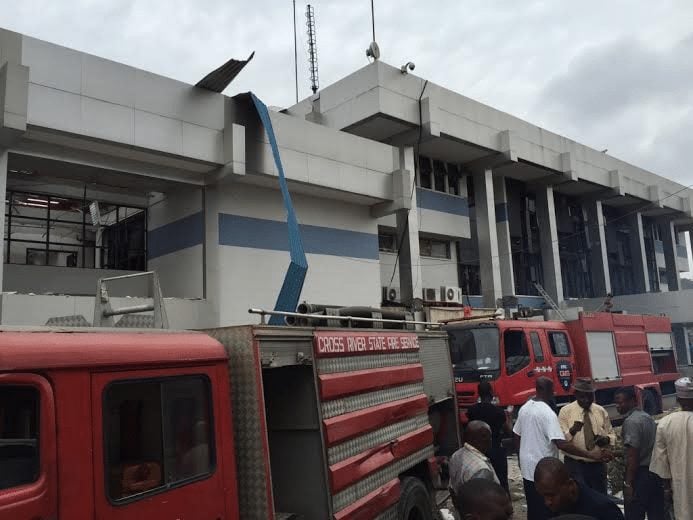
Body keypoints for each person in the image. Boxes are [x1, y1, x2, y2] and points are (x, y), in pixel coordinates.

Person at [513, 377, 608, 520]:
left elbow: (516, 434)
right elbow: (561, 443)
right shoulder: (548, 413)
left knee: (533, 509)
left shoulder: (525, 407)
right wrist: (590, 455)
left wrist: (520, 458)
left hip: (528, 470)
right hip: (545, 473)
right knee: (548, 509)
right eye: (552, 390)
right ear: (548, 391)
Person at [614, 386, 664, 520]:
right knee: (657, 513)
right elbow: (645, 446)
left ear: (632, 401)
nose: (617, 406)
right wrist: (616, 453)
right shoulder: (647, 417)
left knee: (634, 514)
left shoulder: (631, 422)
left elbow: (633, 455)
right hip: (654, 472)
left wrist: (628, 484)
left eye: (621, 402)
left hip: (639, 476)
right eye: (616, 403)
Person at [558, 378, 615, 494]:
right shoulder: (565, 412)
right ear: (576, 395)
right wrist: (572, 431)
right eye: (583, 397)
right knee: (580, 498)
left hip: (597, 465)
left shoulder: (600, 410)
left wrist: (607, 439)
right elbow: (561, 442)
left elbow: (611, 433)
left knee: (600, 498)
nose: (587, 400)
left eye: (590, 397)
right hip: (576, 465)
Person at [649, 376, 693, 520]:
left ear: (678, 399)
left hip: (681, 489)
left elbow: (661, 463)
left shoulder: (664, 423)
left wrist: (667, 489)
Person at [534, 457, 624, 520]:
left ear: (570, 485)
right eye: (543, 496)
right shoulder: (548, 504)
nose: (547, 502)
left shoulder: (604, 510)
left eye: (551, 495)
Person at [467, 381, 511, 491]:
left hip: (478, 452)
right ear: (491, 393)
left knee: (482, 484)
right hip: (496, 450)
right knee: (501, 483)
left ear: (479, 394)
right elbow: (508, 431)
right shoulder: (498, 412)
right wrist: (509, 416)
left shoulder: (472, 411)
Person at [449, 420, 499, 492]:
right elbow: (481, 499)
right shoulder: (481, 469)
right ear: (482, 439)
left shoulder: (456, 455)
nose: (491, 440)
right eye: (489, 437)